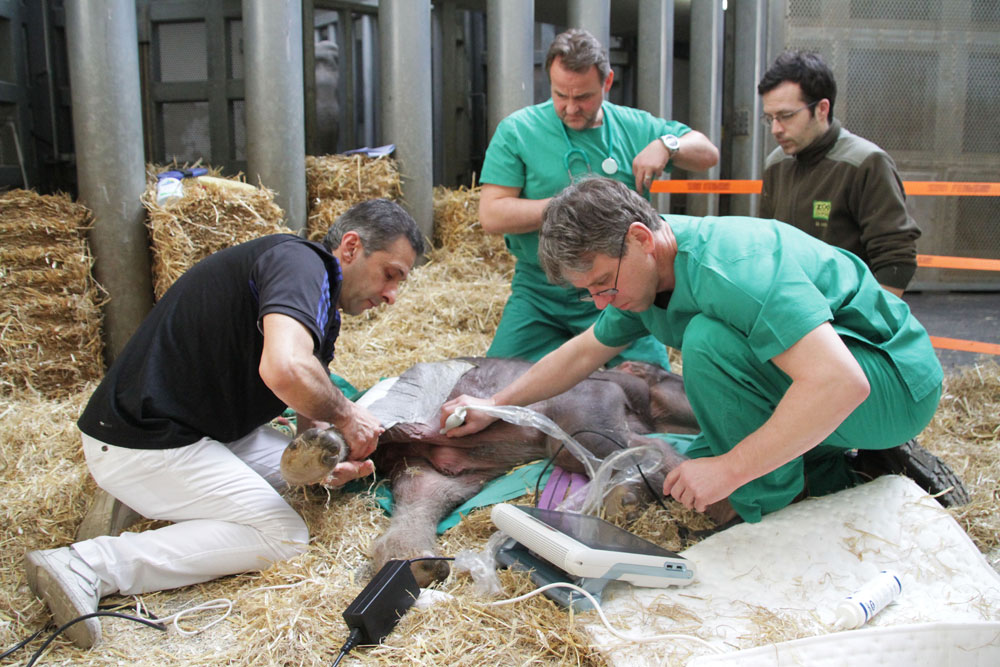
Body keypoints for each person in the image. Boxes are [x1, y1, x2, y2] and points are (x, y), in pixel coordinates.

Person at [25, 199, 424, 648]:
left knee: (291, 485)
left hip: (204, 430)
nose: (392, 295)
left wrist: (318, 463)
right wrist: (347, 414)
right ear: (351, 247)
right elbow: (287, 369)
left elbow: (305, 382)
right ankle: (88, 565)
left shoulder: (318, 297)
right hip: (146, 438)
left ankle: (147, 501)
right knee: (283, 537)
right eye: (391, 274)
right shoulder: (302, 264)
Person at [443, 177, 947, 526]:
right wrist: (496, 403)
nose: (600, 302)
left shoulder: (732, 266)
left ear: (640, 238)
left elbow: (841, 382)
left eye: (603, 284)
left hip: (892, 385)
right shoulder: (646, 271)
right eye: (589, 292)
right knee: (709, 387)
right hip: (839, 380)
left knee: (710, 343)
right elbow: (583, 352)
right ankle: (835, 475)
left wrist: (731, 471)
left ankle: (759, 504)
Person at [479, 28, 719, 365]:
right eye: (560, 95)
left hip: (620, 288)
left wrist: (667, 144)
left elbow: (708, 153)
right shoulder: (519, 130)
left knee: (651, 382)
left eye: (584, 97)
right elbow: (491, 214)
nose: (571, 107)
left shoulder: (634, 127)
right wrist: (571, 208)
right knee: (496, 375)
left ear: (607, 83)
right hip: (541, 292)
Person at [758, 50, 920, 297]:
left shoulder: (865, 163)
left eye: (786, 116)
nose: (776, 129)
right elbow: (768, 245)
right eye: (770, 118)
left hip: (846, 316)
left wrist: (869, 322)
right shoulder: (776, 165)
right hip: (790, 311)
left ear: (822, 109)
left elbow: (896, 261)